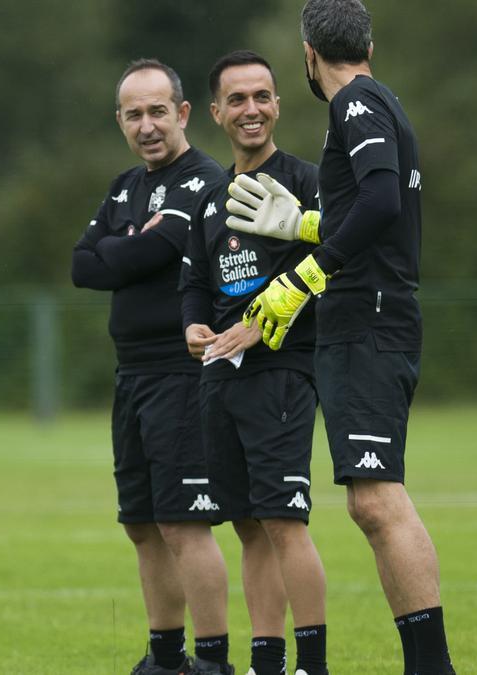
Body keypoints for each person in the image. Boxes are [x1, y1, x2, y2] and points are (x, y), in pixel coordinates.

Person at [225, 1, 455, 673]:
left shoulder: (353, 104)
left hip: (369, 317)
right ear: (370, 45)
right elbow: (372, 212)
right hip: (368, 315)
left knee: (378, 499)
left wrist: (304, 275)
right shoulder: (375, 101)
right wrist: (305, 225)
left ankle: (432, 666)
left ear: (307, 54)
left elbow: (383, 203)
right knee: (367, 500)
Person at [70, 58, 232, 675]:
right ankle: (166, 658)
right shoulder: (123, 187)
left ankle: (213, 660)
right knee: (141, 524)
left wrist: (129, 245)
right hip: (131, 374)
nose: (147, 126)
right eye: (134, 114)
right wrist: (134, 242)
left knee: (183, 524)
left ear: (183, 113)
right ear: (120, 121)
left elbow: (148, 252)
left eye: (157, 111)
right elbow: (85, 267)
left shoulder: (205, 180)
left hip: (183, 374)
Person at [181, 50, 328, 675]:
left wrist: (258, 327)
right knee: (245, 524)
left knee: (284, 520)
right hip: (220, 378)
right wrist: (193, 324)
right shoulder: (211, 199)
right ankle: (266, 661)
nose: (251, 109)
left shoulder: (308, 183)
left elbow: (332, 271)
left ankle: (312, 665)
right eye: (237, 99)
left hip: (283, 374)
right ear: (215, 113)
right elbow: (193, 280)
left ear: (278, 104)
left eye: (262, 96)